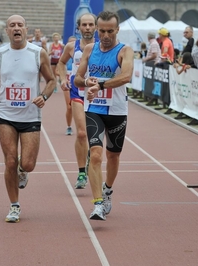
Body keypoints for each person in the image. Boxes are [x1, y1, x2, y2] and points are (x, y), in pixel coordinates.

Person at [0, 14, 56, 223]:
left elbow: (51, 81)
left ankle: (23, 170)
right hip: (6, 115)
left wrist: (44, 95)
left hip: (31, 115)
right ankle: (14, 206)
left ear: (26, 29)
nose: (16, 28)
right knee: (10, 161)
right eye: (12, 25)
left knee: (28, 164)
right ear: (7, 31)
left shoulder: (39, 53)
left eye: (20, 25)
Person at [74, 11, 134, 221]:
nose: (105, 35)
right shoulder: (90, 49)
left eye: (110, 31)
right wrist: (88, 83)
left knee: (113, 156)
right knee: (96, 155)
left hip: (117, 110)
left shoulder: (125, 51)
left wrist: (100, 84)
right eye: (102, 31)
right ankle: (98, 203)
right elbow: (77, 79)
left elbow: (126, 76)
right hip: (94, 110)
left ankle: (108, 189)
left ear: (117, 30)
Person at [57, 13, 97, 189]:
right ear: (79, 27)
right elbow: (60, 64)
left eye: (90, 25)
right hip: (77, 92)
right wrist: (62, 79)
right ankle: (82, 172)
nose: (87, 28)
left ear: (95, 27)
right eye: (84, 25)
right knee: (81, 133)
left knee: (95, 137)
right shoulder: (71, 47)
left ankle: (91, 160)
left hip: (98, 95)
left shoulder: (102, 47)